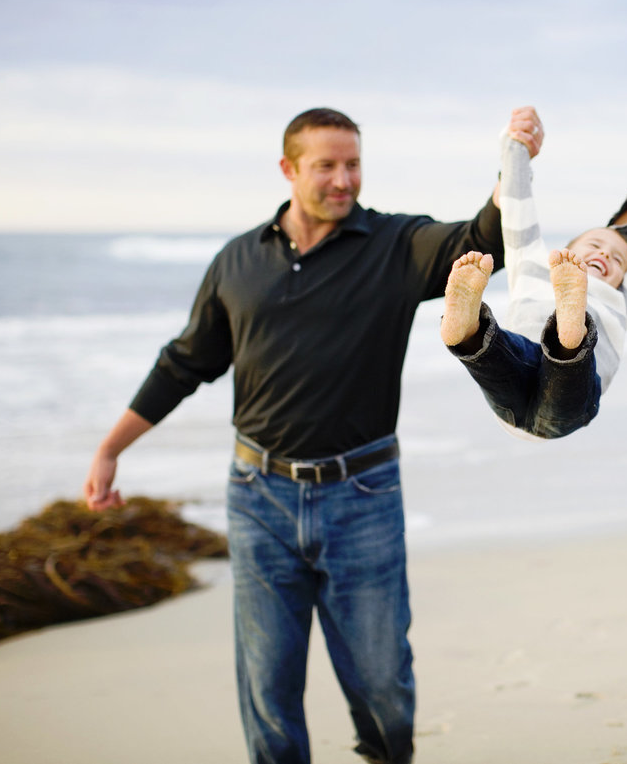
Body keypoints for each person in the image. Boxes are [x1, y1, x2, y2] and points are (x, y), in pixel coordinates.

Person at [82, 105, 544, 764]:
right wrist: (109, 449)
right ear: (288, 168)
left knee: (384, 683)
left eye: (352, 164)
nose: (342, 179)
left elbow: (483, 242)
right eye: (325, 165)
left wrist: (514, 163)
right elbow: (186, 361)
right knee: (268, 685)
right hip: (257, 496)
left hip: (363, 493)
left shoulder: (393, 244)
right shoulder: (238, 260)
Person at [439, 125, 627, 438]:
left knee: (565, 372)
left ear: (623, 279)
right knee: (505, 357)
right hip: (518, 377)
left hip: (569, 402)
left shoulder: (619, 301)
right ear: (567, 253)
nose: (605, 254)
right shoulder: (535, 267)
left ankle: (565, 337)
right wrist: (516, 150)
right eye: (594, 246)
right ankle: (467, 331)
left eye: (618, 260)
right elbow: (517, 211)